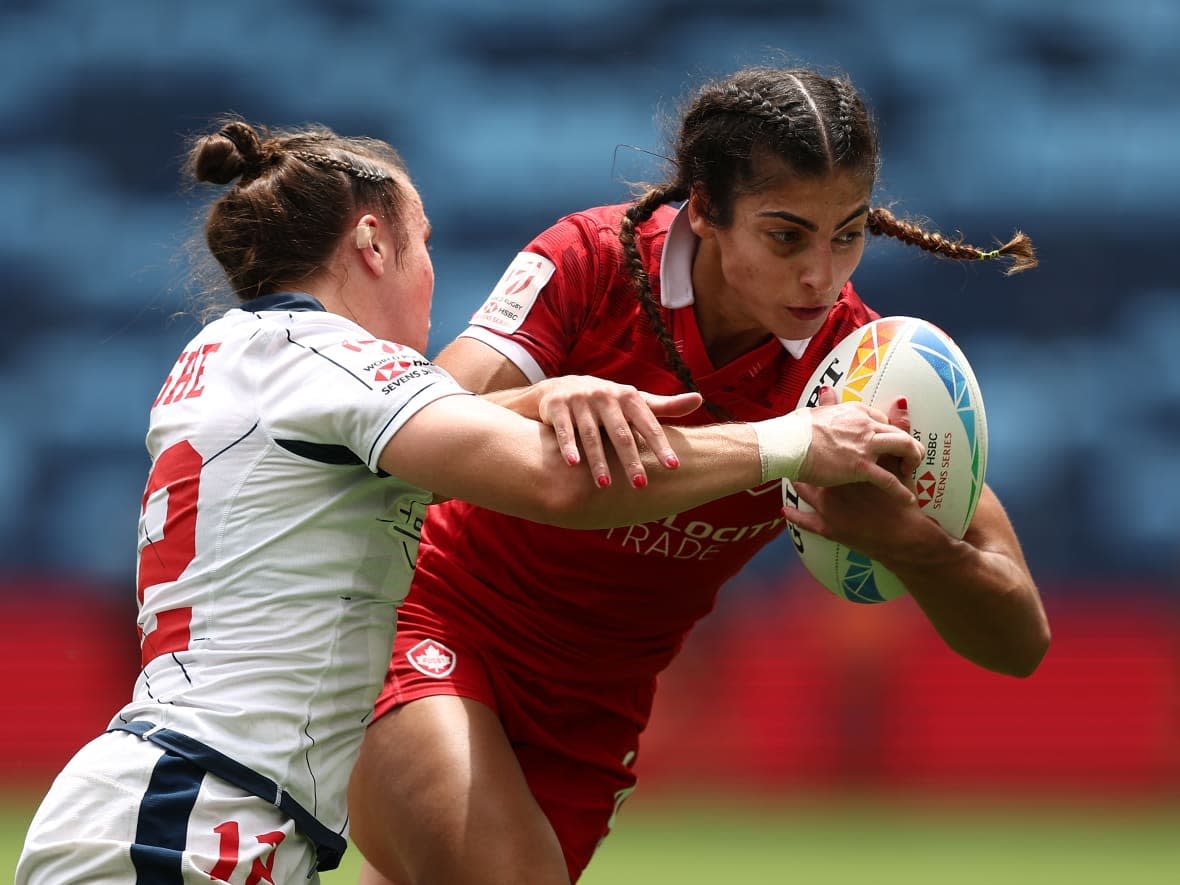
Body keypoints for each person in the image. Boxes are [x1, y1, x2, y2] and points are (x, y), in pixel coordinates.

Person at [14, 115, 924, 885]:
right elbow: (561, 480)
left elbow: (446, 418)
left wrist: (545, 394)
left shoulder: (236, 353)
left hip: (188, 809)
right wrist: (799, 441)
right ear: (373, 244)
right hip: (188, 825)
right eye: (426, 248)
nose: (433, 281)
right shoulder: (335, 358)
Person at [346, 64, 1053, 885]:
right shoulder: (587, 260)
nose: (821, 277)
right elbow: (403, 436)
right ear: (707, 210)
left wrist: (920, 548)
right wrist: (544, 399)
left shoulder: (859, 369)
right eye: (787, 237)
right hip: (430, 617)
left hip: (591, 712)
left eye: (848, 234)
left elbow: (1020, 639)